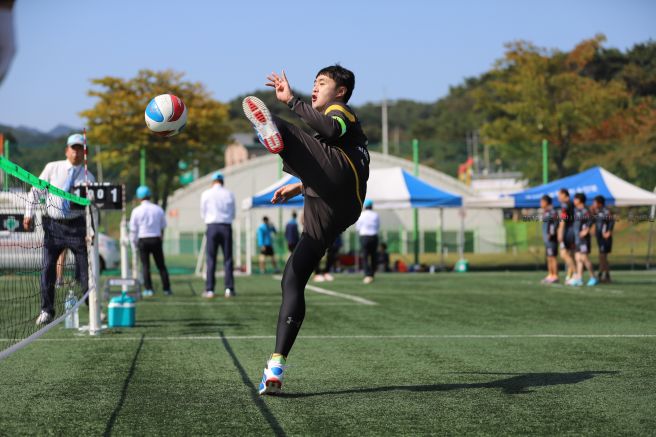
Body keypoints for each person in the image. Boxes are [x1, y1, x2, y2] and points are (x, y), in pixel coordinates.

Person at [242, 64, 369, 395]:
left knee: (282, 127)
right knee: (292, 277)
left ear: (340, 91)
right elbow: (326, 158)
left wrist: (291, 101)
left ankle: (275, 134)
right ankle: (276, 364)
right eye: (313, 82)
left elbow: (331, 131)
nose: (315, 87)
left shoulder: (341, 111)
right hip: (334, 206)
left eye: (322, 83)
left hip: (341, 183)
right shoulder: (331, 130)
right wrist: (299, 186)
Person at [23, 133, 96, 325]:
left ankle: (94, 309)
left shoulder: (89, 177)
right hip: (53, 226)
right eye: (73, 148)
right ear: (66, 150)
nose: (76, 152)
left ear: (85, 153)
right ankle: (46, 310)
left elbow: (92, 208)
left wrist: (91, 231)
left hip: (77, 227)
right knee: (47, 268)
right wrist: (28, 213)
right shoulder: (52, 168)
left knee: (85, 273)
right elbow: (35, 191)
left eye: (80, 149)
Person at [129, 186, 171, 297]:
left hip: (143, 240)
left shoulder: (136, 211)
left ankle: (149, 289)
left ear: (139, 197)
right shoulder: (158, 209)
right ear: (150, 196)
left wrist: (133, 243)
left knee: (145, 266)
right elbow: (163, 226)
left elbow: (133, 229)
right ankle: (167, 289)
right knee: (161, 265)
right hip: (156, 239)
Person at [200, 171, 236, 299]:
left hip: (212, 227)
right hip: (226, 227)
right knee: (228, 259)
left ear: (213, 181)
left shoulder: (206, 193)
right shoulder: (229, 194)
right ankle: (229, 289)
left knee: (211, 259)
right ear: (222, 181)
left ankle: (210, 289)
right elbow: (233, 213)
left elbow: (203, 212)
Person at [570, 193, 597, 287]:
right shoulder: (575, 210)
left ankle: (593, 277)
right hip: (577, 238)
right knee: (578, 258)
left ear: (579, 200)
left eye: (575, 199)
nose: (574, 201)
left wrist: (586, 230)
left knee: (584, 258)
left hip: (584, 239)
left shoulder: (585, 210)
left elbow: (592, 219)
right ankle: (579, 278)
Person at [356, 199, 380, 284]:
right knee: (373, 256)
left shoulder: (361, 215)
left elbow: (358, 227)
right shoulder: (376, 215)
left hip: (364, 236)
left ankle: (367, 275)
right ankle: (372, 274)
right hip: (374, 236)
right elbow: (378, 226)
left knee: (365, 256)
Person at [592, 195, 614, 283]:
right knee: (602, 256)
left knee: (603, 256)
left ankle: (603, 274)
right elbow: (595, 222)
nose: (593, 204)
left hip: (605, 237)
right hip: (599, 237)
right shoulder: (597, 211)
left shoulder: (606, 211)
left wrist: (609, 231)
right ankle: (604, 275)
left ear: (599, 203)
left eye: (595, 202)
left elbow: (611, 221)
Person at [556, 189, 577, 283]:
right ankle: (570, 276)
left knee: (564, 254)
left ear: (564, 194)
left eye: (559, 195)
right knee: (570, 254)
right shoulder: (571, 204)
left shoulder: (565, 205)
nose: (558, 197)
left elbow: (563, 220)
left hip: (568, 232)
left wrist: (560, 233)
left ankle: (576, 274)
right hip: (572, 231)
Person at [540, 194, 559, 284]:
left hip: (551, 238)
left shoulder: (552, 212)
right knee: (549, 257)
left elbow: (555, 223)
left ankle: (555, 275)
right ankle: (550, 274)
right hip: (547, 239)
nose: (540, 203)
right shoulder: (546, 212)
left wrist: (551, 233)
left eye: (542, 202)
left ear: (546, 202)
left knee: (552, 257)